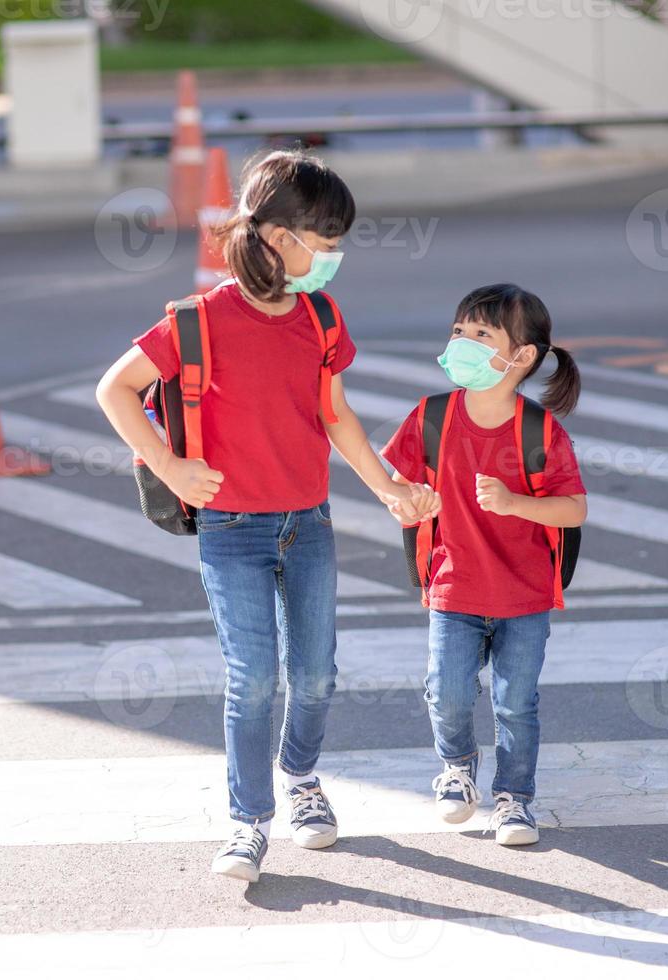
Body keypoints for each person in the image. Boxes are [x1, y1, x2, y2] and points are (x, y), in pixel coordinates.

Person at [96, 150, 439, 882]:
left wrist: (389, 487)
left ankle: (302, 778)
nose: (335, 257)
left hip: (307, 524)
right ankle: (248, 820)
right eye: (327, 241)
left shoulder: (318, 315)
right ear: (280, 238)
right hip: (230, 530)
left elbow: (335, 414)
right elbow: (114, 390)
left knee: (315, 675)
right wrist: (170, 466)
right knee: (253, 677)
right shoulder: (202, 321)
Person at [379, 283, 587, 847]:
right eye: (458, 331)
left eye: (480, 334)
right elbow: (395, 484)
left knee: (516, 703)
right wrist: (407, 498)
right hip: (453, 587)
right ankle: (457, 767)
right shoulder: (430, 417)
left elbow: (574, 510)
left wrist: (516, 503)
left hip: (524, 597)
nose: (462, 343)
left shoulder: (538, 430)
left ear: (521, 357)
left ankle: (514, 800)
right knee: (446, 690)